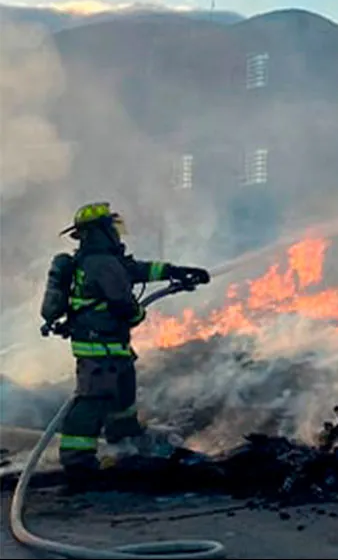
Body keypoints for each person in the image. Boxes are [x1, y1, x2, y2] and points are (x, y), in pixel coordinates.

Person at [39, 201, 210, 486]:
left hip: (110, 345)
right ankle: (78, 463)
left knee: (123, 395)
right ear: (101, 231)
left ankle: (125, 441)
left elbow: (135, 270)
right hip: (98, 347)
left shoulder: (101, 260)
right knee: (92, 402)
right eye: (112, 227)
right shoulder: (101, 263)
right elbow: (122, 302)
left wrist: (175, 271)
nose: (117, 233)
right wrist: (138, 314)